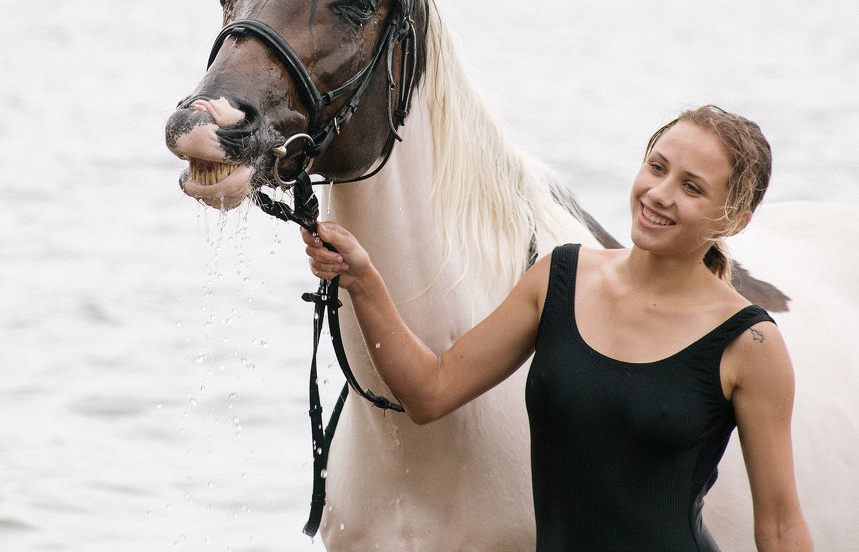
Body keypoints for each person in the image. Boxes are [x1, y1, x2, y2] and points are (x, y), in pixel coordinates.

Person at [301, 105, 813, 552]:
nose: (659, 194)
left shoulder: (750, 344)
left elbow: (781, 529)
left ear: (734, 218)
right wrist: (364, 281)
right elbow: (430, 392)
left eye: (691, 187)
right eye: (656, 167)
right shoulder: (559, 278)